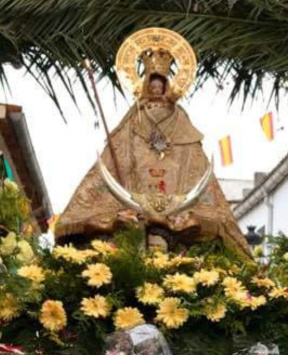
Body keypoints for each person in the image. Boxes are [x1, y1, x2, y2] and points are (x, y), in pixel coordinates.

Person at [55, 29, 250, 256]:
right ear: (146, 85)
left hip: (178, 200)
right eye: (153, 85)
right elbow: (117, 151)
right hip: (133, 199)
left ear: (168, 85)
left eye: (161, 85)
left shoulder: (181, 121)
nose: (157, 89)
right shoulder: (133, 119)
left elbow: (193, 160)